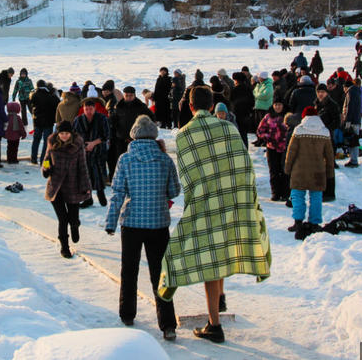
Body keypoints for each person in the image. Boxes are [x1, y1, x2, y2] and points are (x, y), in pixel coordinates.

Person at [159, 86, 271, 344]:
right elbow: (243, 164)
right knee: (222, 250)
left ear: (189, 106)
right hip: (232, 199)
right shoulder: (229, 129)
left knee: (210, 258)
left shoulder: (185, 134)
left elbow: (187, 174)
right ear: (211, 106)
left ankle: (214, 324)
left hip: (205, 202)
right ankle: (219, 299)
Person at [105, 115, 180, 341]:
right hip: (158, 223)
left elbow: (117, 193)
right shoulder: (165, 160)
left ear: (133, 135)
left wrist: (110, 223)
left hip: (131, 223)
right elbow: (174, 191)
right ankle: (167, 324)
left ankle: (127, 314)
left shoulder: (125, 159)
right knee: (160, 273)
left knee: (129, 270)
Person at [42, 120, 91, 259]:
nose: (64, 136)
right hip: (56, 186)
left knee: (73, 218)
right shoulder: (52, 143)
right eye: (62, 133)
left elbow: (82, 166)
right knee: (62, 219)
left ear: (71, 134)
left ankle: (75, 226)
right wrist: (46, 168)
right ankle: (64, 247)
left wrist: (86, 186)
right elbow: (46, 158)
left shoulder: (78, 145)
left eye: (66, 134)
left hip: (72, 185)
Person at [284, 107, 335, 240]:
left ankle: (298, 221)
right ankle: (314, 222)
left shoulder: (299, 130)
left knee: (297, 196)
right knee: (316, 197)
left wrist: (288, 168)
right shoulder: (325, 132)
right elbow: (329, 155)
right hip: (318, 171)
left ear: (304, 116)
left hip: (299, 170)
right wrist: (330, 172)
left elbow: (291, 152)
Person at [108, 86, 154, 180]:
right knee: (120, 161)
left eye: (131, 95)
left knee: (137, 161)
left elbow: (152, 119)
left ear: (134, 95)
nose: (128, 97)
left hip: (137, 140)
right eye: (126, 95)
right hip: (121, 139)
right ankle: (121, 178)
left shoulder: (141, 106)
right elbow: (112, 121)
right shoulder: (118, 106)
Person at [73, 100, 110, 207]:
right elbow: (74, 135)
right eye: (86, 109)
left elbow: (106, 135)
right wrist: (83, 146)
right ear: (83, 109)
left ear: (95, 108)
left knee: (98, 173)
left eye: (91, 109)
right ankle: (87, 199)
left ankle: (101, 194)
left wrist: (93, 144)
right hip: (83, 151)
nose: (88, 111)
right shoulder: (78, 119)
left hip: (98, 151)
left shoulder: (102, 118)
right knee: (85, 175)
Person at [256, 96, 290, 202]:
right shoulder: (268, 117)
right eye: (276, 105)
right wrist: (268, 137)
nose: (278, 107)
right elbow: (260, 131)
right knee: (274, 171)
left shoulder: (288, 116)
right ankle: (275, 192)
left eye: (279, 105)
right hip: (272, 148)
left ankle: (285, 193)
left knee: (284, 171)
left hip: (285, 148)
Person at [30, 80, 59, 165]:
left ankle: (33, 158)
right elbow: (57, 104)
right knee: (46, 142)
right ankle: (43, 160)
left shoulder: (34, 95)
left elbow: (31, 103)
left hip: (37, 121)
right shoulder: (50, 96)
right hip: (48, 122)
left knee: (36, 140)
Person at [341, 80, 362, 167]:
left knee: (352, 140)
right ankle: (354, 159)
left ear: (346, 87)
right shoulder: (357, 91)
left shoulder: (350, 92)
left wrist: (347, 121)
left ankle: (353, 160)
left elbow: (350, 107)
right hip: (356, 120)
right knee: (355, 140)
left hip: (352, 121)